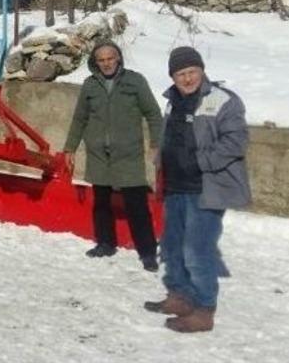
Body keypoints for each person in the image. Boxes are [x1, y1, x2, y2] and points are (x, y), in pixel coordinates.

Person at [145, 46, 251, 333]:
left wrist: (199, 161)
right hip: (175, 186)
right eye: (181, 74)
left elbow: (235, 142)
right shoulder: (172, 101)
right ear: (173, 76)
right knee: (172, 247)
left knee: (197, 250)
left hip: (205, 188)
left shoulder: (223, 101)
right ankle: (180, 296)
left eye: (192, 72)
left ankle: (204, 309)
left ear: (202, 71)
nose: (187, 78)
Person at [63, 41, 162, 272]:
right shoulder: (90, 86)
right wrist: (70, 148)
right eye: (102, 59)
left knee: (136, 204)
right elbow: (80, 119)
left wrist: (157, 143)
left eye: (111, 58)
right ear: (95, 62)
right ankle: (105, 243)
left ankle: (147, 251)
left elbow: (154, 114)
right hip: (99, 154)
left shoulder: (135, 82)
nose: (107, 63)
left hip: (128, 154)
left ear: (118, 59)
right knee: (101, 202)